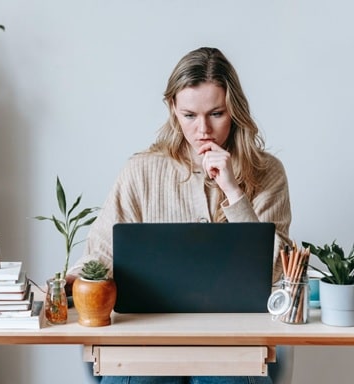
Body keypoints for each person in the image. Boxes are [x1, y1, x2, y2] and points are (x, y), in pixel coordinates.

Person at [66, 47, 292, 384]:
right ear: (173, 109)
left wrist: (233, 191)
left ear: (235, 110)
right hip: (146, 343)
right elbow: (100, 255)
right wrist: (65, 286)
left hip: (234, 344)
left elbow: (280, 273)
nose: (203, 129)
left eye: (216, 113)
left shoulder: (267, 172)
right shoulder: (140, 171)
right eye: (189, 115)